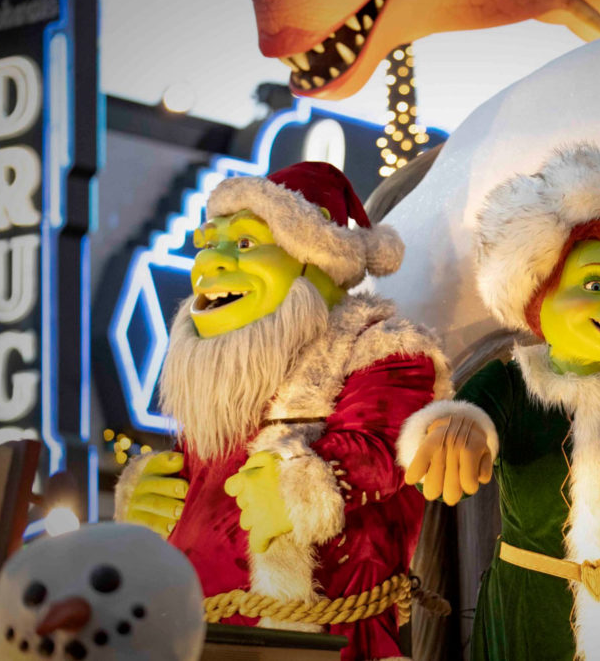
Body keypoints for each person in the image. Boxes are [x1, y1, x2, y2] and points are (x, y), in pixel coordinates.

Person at [114, 162, 451, 661]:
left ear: (315, 260)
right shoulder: (230, 380)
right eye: (208, 244)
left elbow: (380, 452)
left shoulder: (383, 353)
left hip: (328, 647)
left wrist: (302, 483)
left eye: (245, 244)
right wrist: (148, 503)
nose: (210, 265)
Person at [397, 144, 600, 660]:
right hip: (532, 605)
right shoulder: (513, 384)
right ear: (541, 290)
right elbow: (471, 414)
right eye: (594, 283)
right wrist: (458, 428)